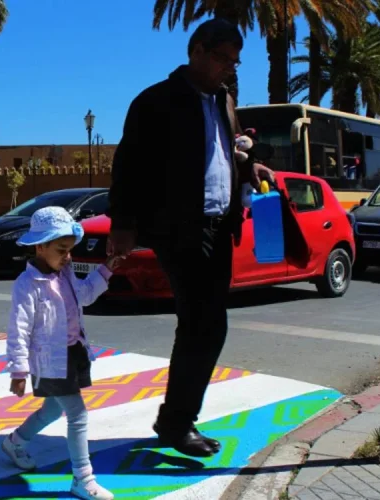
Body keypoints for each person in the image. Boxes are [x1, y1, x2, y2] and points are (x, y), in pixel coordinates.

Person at [107, 19, 275, 458]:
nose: (229, 69)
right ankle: (177, 422)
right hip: (179, 225)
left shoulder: (224, 100)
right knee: (204, 323)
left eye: (234, 62)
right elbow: (128, 165)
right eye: (222, 58)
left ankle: (176, 420)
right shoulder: (155, 101)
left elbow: (228, 150)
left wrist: (248, 166)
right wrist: (122, 224)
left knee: (207, 324)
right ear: (196, 50)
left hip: (221, 224)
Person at [2, 206, 122, 500]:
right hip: (49, 362)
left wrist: (106, 270)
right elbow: (18, 330)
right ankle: (83, 478)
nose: (68, 256)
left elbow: (85, 296)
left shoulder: (65, 273)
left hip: (73, 353)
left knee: (53, 409)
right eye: (61, 249)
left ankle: (15, 442)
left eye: (69, 249)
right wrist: (18, 371)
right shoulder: (27, 285)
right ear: (40, 246)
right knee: (77, 415)